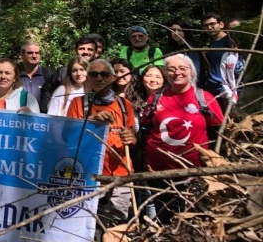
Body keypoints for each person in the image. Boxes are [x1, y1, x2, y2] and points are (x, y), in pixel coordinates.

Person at [141, 55, 223, 219]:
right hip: (159, 172)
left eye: (182, 68)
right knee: (164, 217)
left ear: (191, 72)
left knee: (193, 216)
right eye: (171, 69)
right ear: (166, 73)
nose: (177, 72)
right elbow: (146, 128)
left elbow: (218, 131)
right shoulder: (156, 98)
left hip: (194, 172)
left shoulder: (204, 98)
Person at [67, 59, 137, 224]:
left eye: (104, 74)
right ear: (88, 78)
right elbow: (69, 138)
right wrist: (91, 122)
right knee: (87, 223)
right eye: (94, 74)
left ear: (113, 77)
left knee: (117, 223)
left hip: (121, 172)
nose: (99, 78)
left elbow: (132, 134)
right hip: (90, 175)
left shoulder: (124, 104)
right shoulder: (78, 104)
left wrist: (132, 138)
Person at [40, 35, 97, 113]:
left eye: (90, 49)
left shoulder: (98, 77)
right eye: (82, 49)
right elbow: (47, 91)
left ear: (95, 53)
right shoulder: (62, 73)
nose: (85, 52)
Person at [202, 12, 238, 112]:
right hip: (213, 87)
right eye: (206, 25)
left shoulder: (230, 41)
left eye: (212, 24)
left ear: (221, 24)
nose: (209, 28)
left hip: (227, 88)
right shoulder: (212, 42)